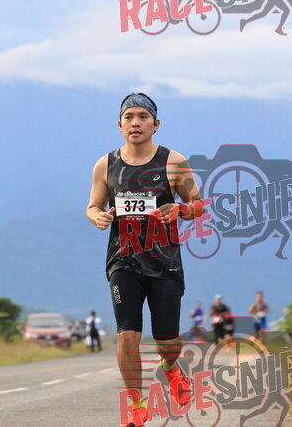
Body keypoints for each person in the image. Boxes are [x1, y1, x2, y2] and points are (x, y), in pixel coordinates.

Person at [86, 92, 204, 427]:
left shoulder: (173, 162)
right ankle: (136, 405)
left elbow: (198, 206)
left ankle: (171, 368)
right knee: (128, 334)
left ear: (156, 124)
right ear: (119, 125)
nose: (135, 123)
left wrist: (179, 209)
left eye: (142, 117)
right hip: (122, 261)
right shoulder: (105, 164)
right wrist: (97, 216)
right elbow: (93, 205)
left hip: (164, 262)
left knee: (167, 343)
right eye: (129, 117)